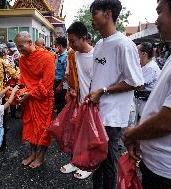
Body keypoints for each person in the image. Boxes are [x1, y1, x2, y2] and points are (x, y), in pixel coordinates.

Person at [87, 1, 144, 188]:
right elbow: (99, 77)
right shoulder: (99, 45)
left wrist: (103, 91)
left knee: (108, 164)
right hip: (95, 114)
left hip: (111, 118)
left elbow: (135, 81)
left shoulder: (124, 44)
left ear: (107, 14)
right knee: (94, 162)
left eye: (94, 13)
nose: (91, 18)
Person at [123, 0, 171, 188]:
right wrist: (142, 135)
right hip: (159, 166)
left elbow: (167, 121)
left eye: (159, 11)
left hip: (168, 173)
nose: (156, 20)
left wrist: (132, 134)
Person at [15, 31, 55, 168]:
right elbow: (23, 80)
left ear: (30, 43)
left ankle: (41, 156)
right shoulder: (22, 59)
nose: (19, 50)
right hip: (29, 99)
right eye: (17, 47)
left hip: (43, 99)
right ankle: (32, 153)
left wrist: (30, 93)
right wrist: (19, 92)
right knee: (30, 127)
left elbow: (47, 85)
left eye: (21, 46)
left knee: (43, 129)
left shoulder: (47, 57)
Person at [59, 22, 94, 180]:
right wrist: (71, 89)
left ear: (84, 38)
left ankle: (87, 164)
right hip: (76, 101)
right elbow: (69, 76)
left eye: (73, 41)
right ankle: (75, 161)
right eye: (69, 41)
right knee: (75, 134)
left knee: (89, 136)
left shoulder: (97, 55)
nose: (70, 45)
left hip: (93, 103)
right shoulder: (73, 54)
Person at [134, 42, 161, 120]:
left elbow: (138, 86)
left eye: (136, 52)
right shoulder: (145, 66)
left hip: (147, 102)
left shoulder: (150, 67)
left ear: (143, 54)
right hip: (142, 101)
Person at [54, 36, 68, 114]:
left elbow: (66, 74)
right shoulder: (58, 55)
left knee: (61, 105)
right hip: (56, 82)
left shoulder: (66, 56)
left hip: (61, 84)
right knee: (58, 103)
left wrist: (60, 85)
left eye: (55, 45)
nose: (55, 47)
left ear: (59, 46)